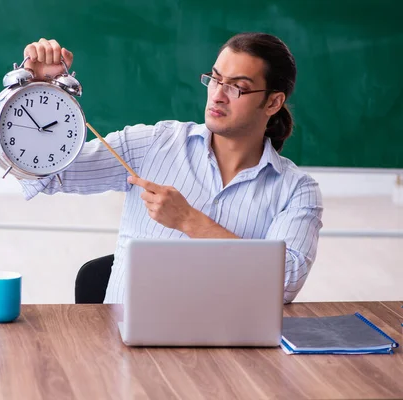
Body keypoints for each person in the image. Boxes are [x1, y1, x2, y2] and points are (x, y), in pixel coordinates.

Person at [18, 33, 323, 304]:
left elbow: (284, 284)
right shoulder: (154, 143)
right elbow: (46, 173)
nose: (217, 94)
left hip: (231, 362)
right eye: (215, 79)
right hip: (123, 355)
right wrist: (38, 95)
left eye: (237, 88)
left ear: (273, 103)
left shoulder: (296, 190)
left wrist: (189, 221)